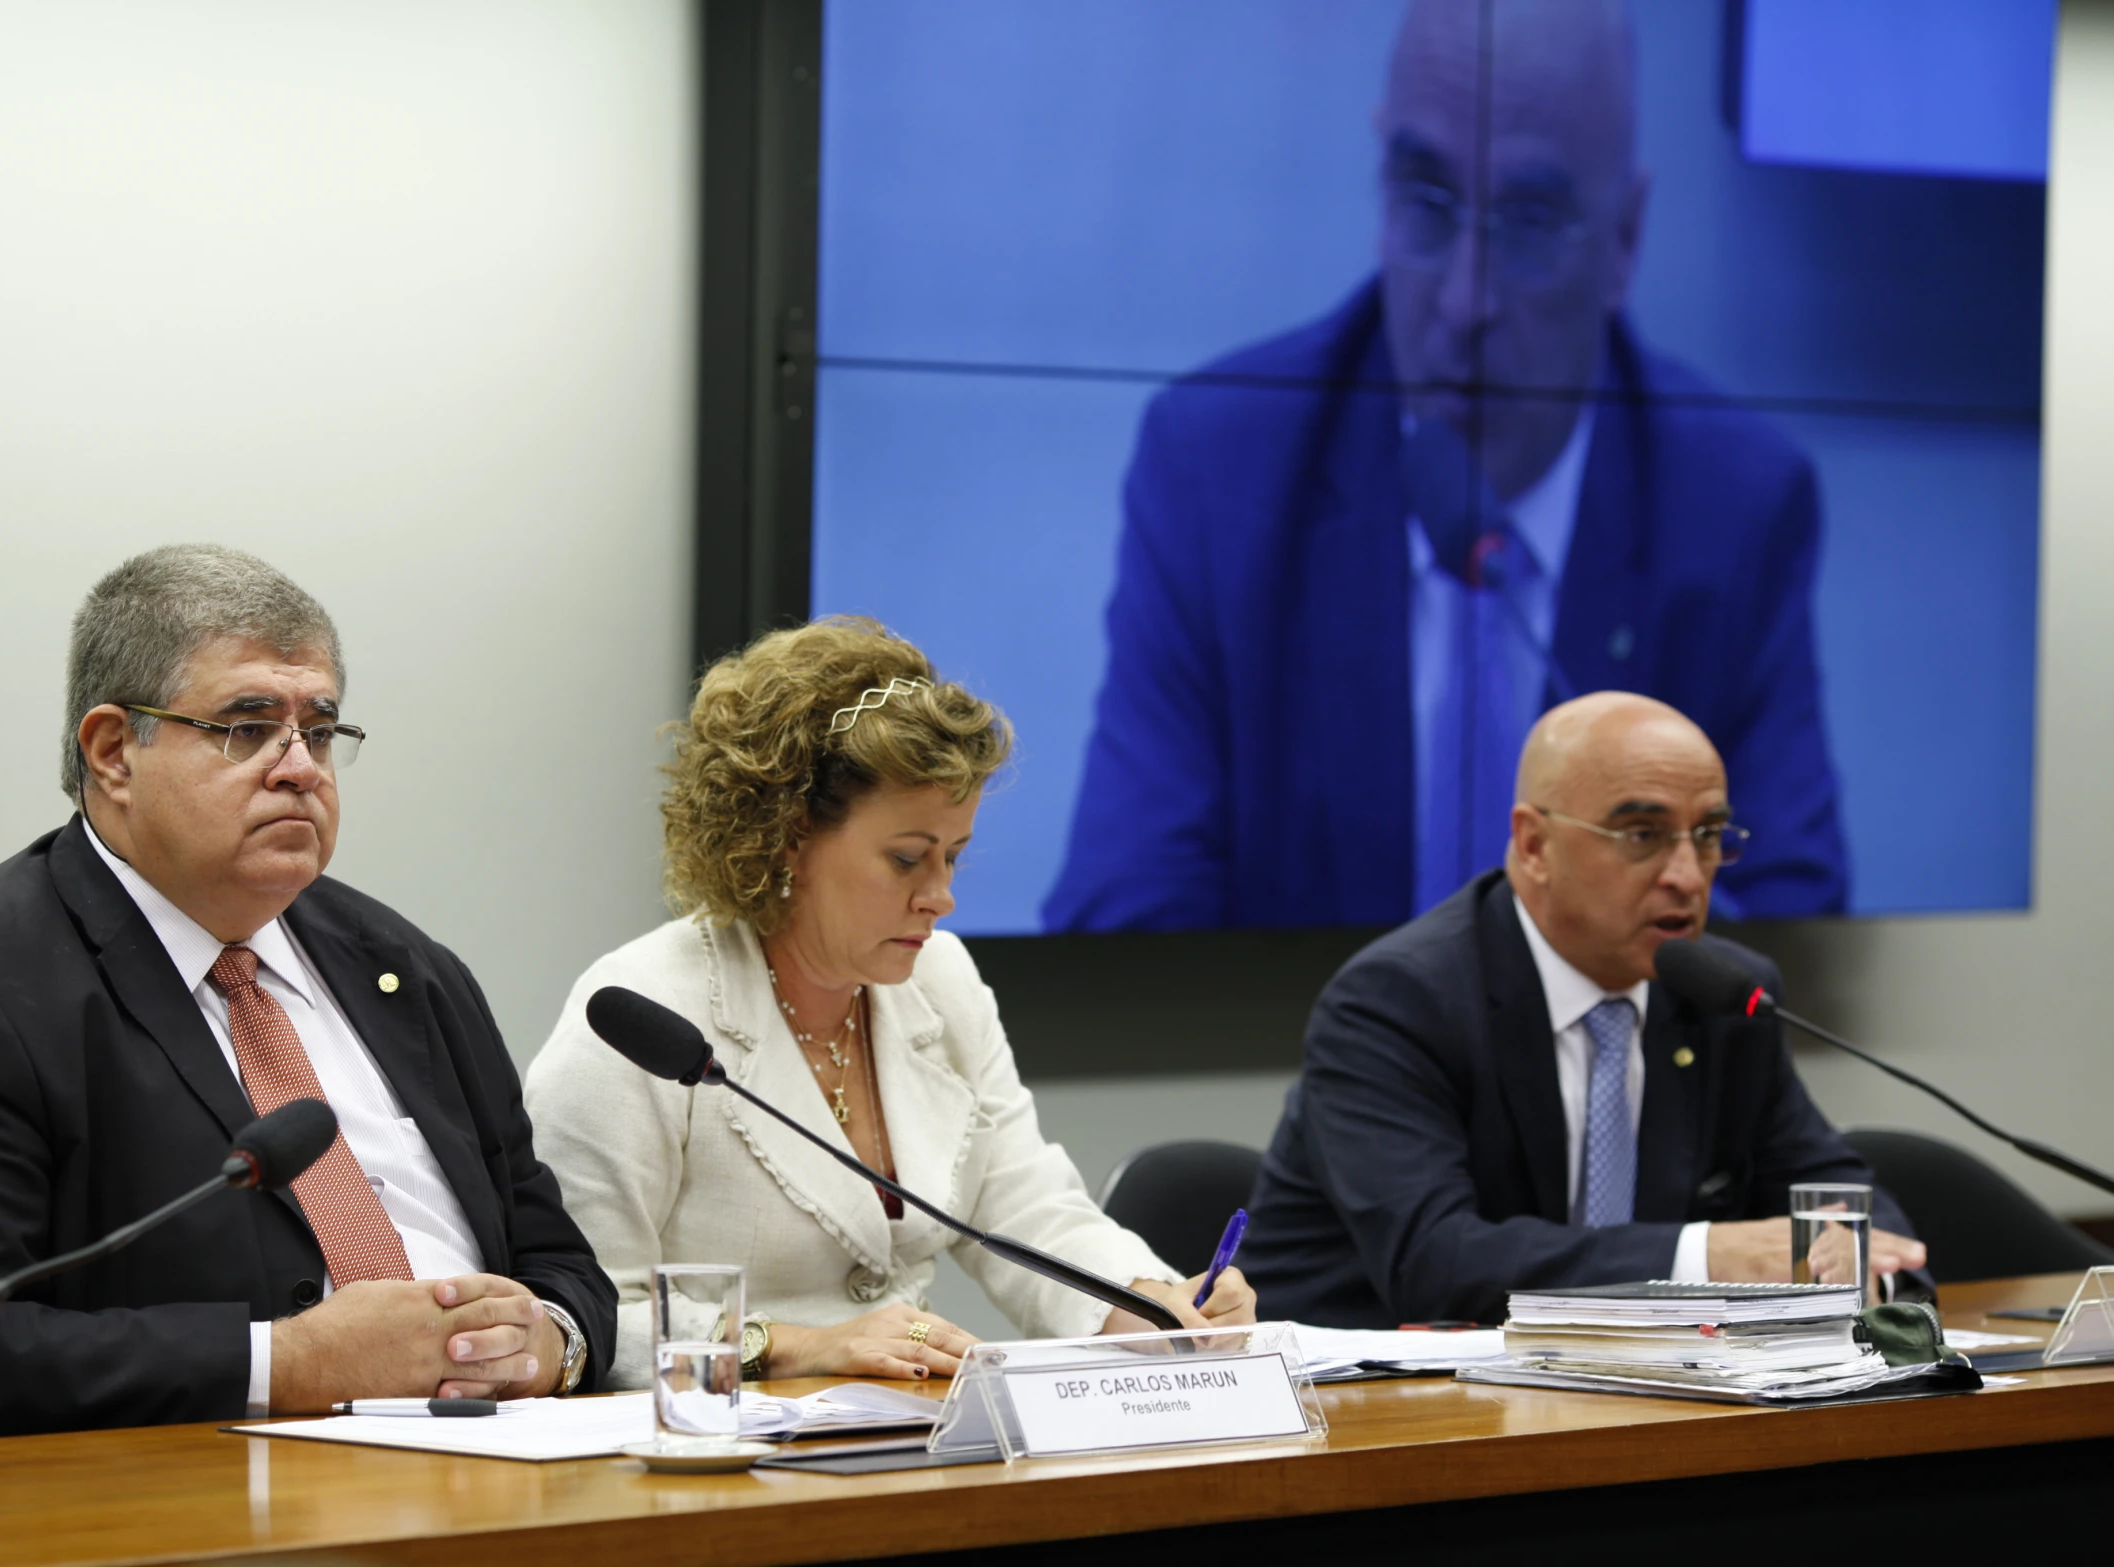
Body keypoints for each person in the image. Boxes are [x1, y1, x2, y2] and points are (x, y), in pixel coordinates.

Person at [1044, 0, 1848, 934]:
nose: (1465, 301)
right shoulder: (1221, 469)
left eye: (1531, 220)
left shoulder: (1738, 504)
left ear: (1625, 238)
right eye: (1425, 204)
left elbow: (1793, 927)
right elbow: (1126, 919)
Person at [0, 545, 615, 1442]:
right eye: (247, 726)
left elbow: (560, 1262)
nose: (299, 766)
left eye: (320, 728)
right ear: (113, 752)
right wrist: (292, 1362)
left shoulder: (405, 968)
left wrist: (551, 1341)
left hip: (507, 1476)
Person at [527, 617, 1255, 1389]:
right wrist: (795, 1344)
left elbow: (1025, 1203)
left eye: (955, 856)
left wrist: (1154, 1306)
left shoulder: (940, 980)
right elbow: (582, 1308)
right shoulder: (644, 1015)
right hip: (708, 1456)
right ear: (787, 837)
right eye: (908, 858)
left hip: (909, 1438)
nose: (940, 896)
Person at [1239, 692, 1922, 1328]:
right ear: (1534, 845)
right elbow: (1435, 1260)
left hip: (1625, 1397)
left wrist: (1853, 1262)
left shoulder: (1725, 992)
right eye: (1643, 834)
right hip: (1368, 1411)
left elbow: (1837, 1192)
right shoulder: (1399, 999)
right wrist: (1708, 1258)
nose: (1687, 873)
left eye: (1709, 833)